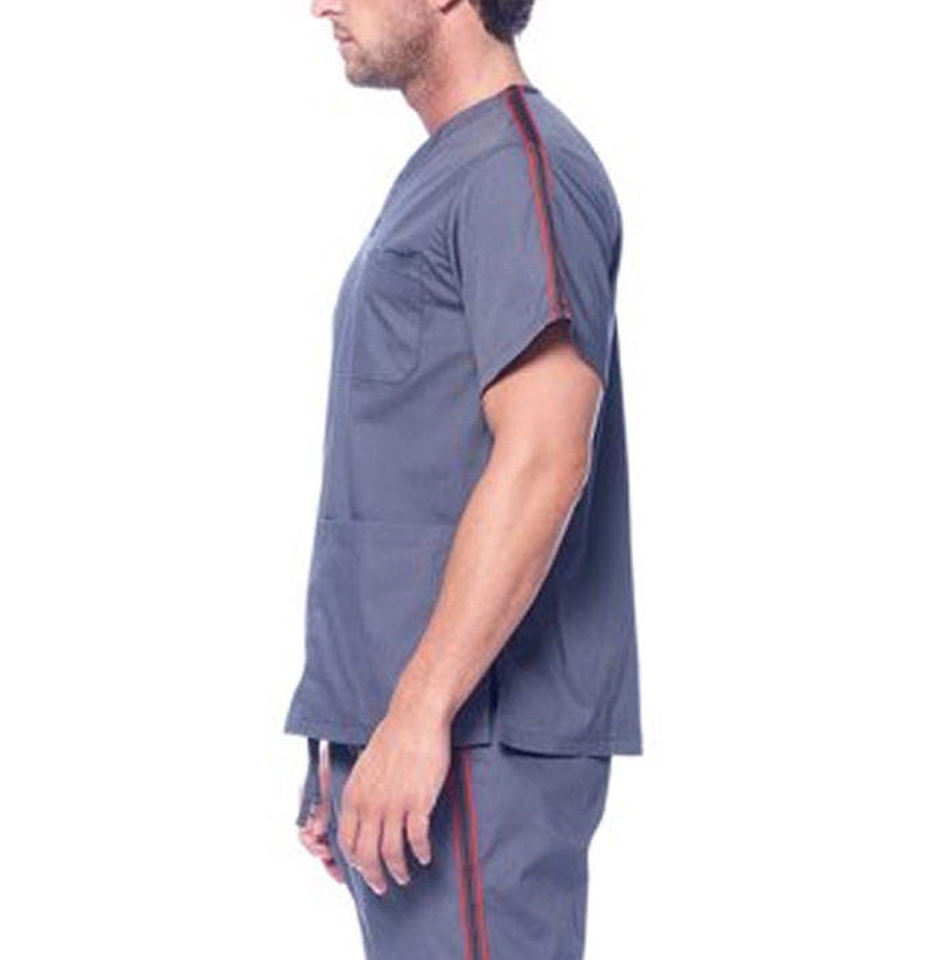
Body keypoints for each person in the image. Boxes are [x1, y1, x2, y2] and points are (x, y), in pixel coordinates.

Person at [285, 1, 642, 956]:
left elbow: (546, 457)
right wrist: (349, 729)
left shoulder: (522, 170)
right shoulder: (450, 170)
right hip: (417, 739)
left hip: (480, 743)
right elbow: (402, 468)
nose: (321, 3)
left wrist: (415, 715)